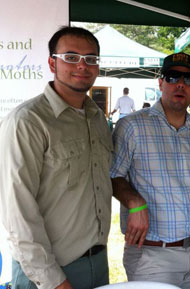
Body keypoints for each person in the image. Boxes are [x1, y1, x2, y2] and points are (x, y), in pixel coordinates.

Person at [0, 27, 113, 289]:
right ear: (52, 62)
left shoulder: (96, 119)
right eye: (71, 57)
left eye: (91, 59)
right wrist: (54, 281)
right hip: (47, 274)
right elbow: (17, 213)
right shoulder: (27, 122)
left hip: (97, 263)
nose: (82, 66)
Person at [110, 52, 190, 289]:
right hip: (153, 255)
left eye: (189, 80)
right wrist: (135, 201)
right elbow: (112, 176)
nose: (180, 84)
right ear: (160, 82)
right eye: (172, 76)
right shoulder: (132, 125)